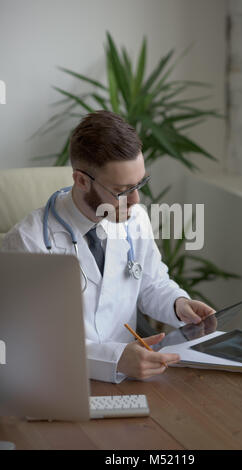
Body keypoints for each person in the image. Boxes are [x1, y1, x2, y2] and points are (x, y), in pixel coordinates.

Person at [1, 110, 215, 383]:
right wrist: (113, 358)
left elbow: (152, 283)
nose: (136, 200)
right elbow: (31, 342)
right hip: (60, 383)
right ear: (81, 180)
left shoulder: (133, 216)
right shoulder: (28, 243)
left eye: (140, 184)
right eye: (122, 190)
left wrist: (179, 304)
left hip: (133, 377)